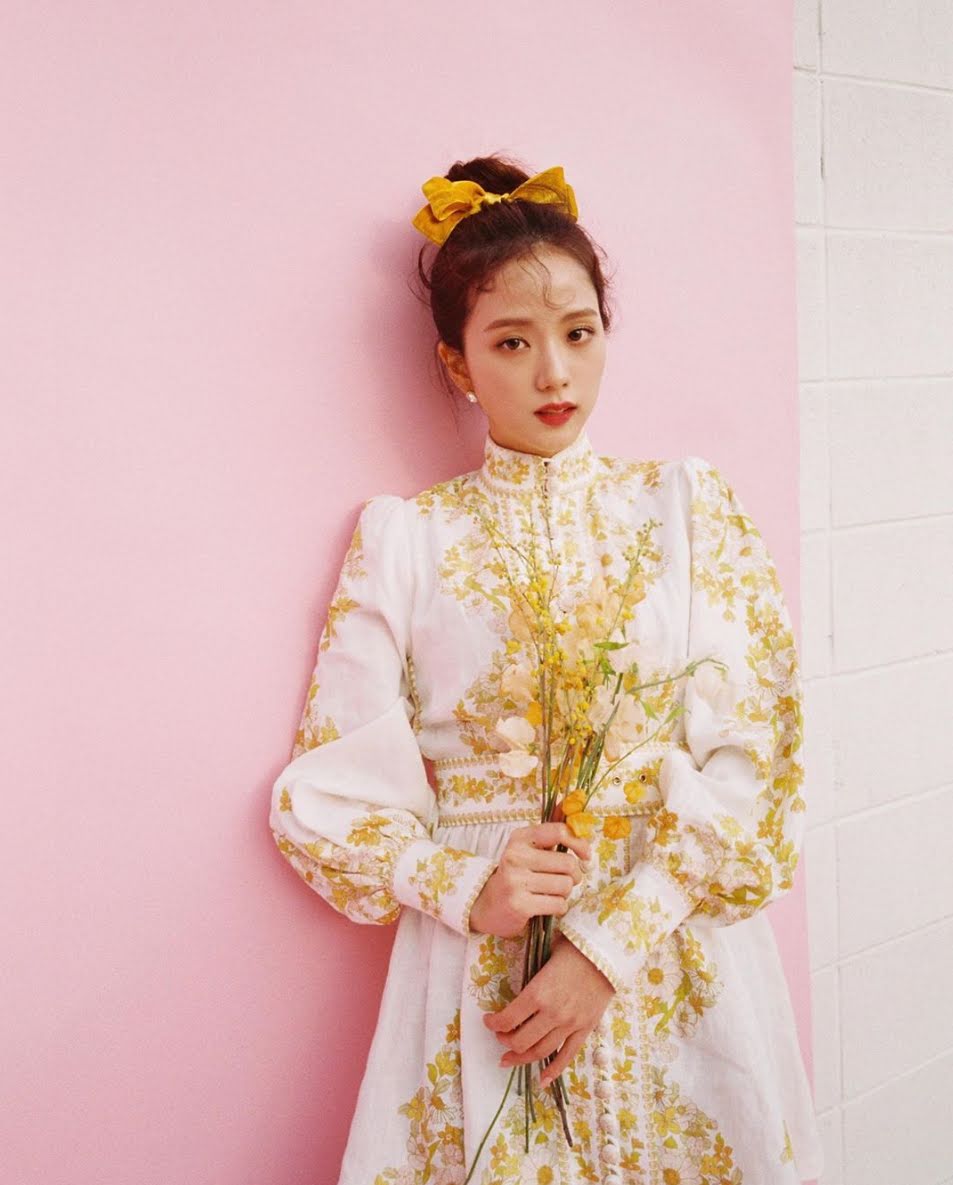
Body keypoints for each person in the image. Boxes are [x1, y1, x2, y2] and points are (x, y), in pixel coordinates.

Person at [268, 154, 824, 1185]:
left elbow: (758, 763)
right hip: (482, 989)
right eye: (511, 342)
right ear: (457, 362)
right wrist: (465, 884)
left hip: (673, 958)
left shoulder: (683, 511)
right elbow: (325, 800)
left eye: (578, 332)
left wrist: (606, 952)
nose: (554, 375)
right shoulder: (406, 540)